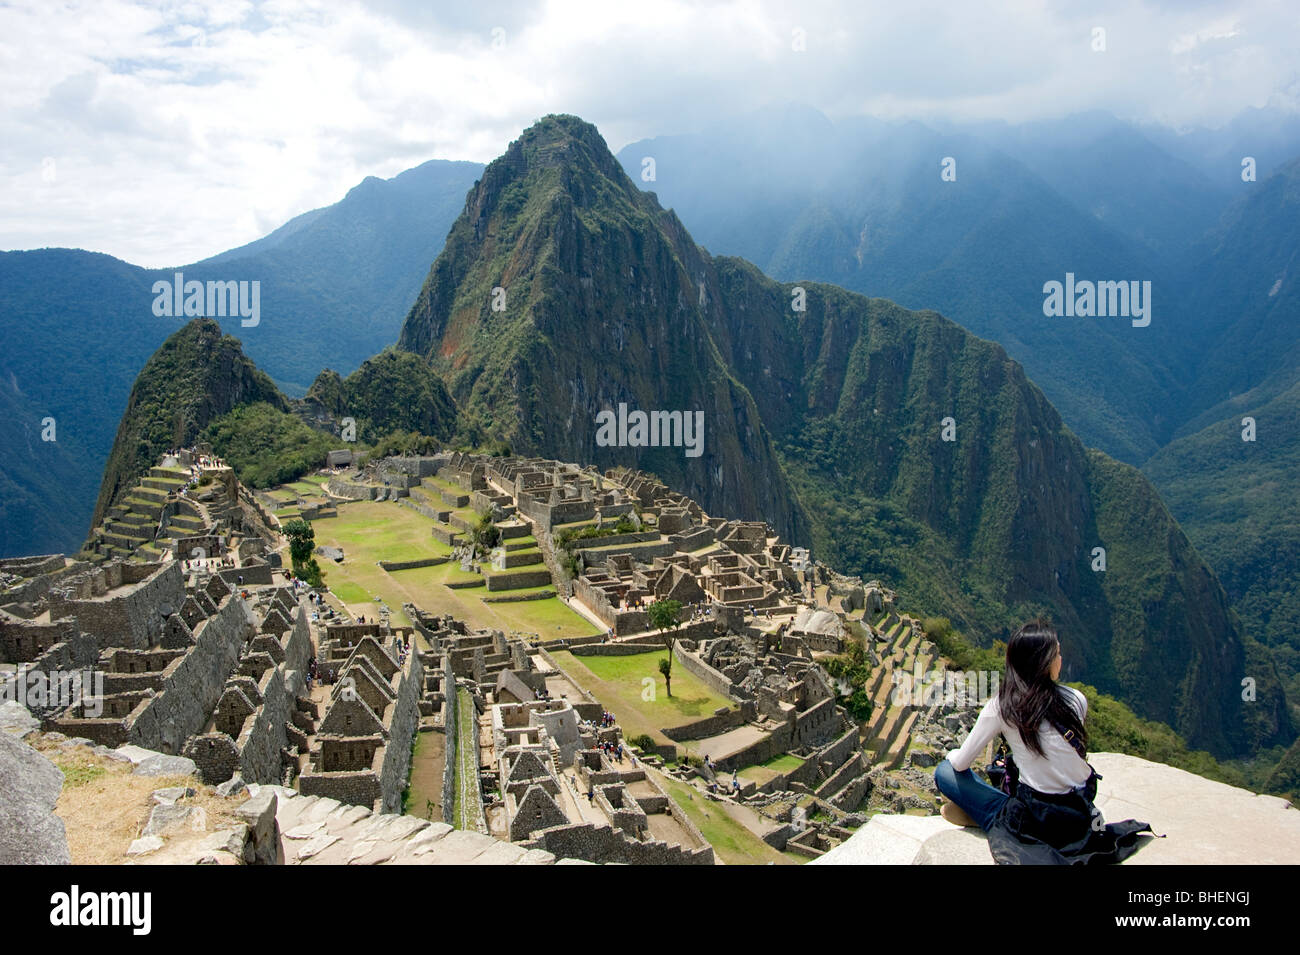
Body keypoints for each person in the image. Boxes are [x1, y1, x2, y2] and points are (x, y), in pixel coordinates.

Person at [935, 619, 1155, 864]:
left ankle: (985, 816)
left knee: (945, 771)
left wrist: (952, 753)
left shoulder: (1001, 706)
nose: (1060, 659)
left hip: (1037, 820)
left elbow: (960, 765)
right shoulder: (1076, 700)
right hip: (1080, 814)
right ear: (1043, 663)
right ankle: (986, 813)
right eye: (1057, 654)